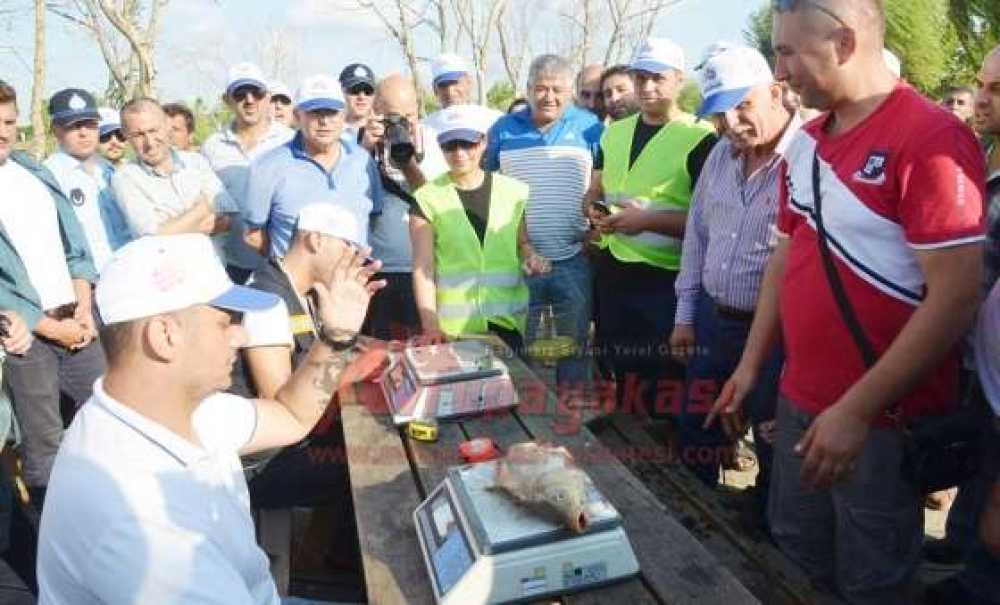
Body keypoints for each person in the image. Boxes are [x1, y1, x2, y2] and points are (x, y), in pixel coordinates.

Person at [706, 2, 986, 602]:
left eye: (787, 51)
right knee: (796, 556)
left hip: (882, 422)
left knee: (872, 576)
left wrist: (857, 410)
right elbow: (785, 261)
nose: (779, 72)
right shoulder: (805, 142)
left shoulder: (933, 137)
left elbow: (957, 295)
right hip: (800, 400)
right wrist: (752, 366)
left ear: (842, 41)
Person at [37, 232, 382, 603]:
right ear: (165, 336)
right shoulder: (139, 527)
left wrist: (337, 339)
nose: (241, 334)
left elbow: (290, 416)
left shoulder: (176, 409)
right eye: (226, 322)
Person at [669, 46, 799, 519]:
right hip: (710, 321)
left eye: (743, 105)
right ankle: (690, 527)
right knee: (697, 426)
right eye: (721, 113)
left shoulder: (807, 157)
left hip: (778, 335)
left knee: (772, 435)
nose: (732, 123)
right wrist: (685, 316)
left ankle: (771, 538)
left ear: (776, 93)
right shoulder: (719, 157)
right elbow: (696, 239)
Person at [584, 38, 716, 421]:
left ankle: (667, 454)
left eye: (658, 78)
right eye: (640, 77)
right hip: (614, 269)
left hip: (666, 280)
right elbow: (600, 190)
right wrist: (596, 212)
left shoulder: (701, 136)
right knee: (621, 368)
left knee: (666, 378)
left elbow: (710, 222)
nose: (647, 87)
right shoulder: (615, 132)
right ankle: (632, 444)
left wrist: (646, 221)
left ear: (678, 79)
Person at [230, 204, 385, 515]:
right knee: (371, 469)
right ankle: (331, 557)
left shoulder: (300, 291)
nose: (355, 259)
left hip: (292, 445)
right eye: (349, 247)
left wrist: (385, 346)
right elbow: (279, 406)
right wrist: (354, 371)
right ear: (315, 240)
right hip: (265, 464)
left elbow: (318, 345)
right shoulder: (267, 301)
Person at [0, 80, 105, 508]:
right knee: (46, 453)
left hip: (76, 321)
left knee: (108, 422)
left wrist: (83, 304)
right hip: (29, 335)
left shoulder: (32, 171)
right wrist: (51, 328)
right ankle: (52, 557)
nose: (2, 131)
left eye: (8, 121)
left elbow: (75, 245)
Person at [923, 45, 1000, 604]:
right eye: (981, 83)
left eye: (996, 89)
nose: (980, 98)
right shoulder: (980, 155)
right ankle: (961, 553)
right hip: (975, 358)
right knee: (977, 472)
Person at [487, 54, 603, 390]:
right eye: (540, 88)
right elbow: (489, 186)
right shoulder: (502, 129)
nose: (548, 97)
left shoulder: (591, 127)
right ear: (527, 89)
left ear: (570, 92)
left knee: (575, 345)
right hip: (520, 259)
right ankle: (528, 419)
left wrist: (592, 236)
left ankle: (573, 416)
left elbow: (604, 186)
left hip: (574, 258)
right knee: (523, 346)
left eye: (557, 89)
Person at [410, 104, 532, 352]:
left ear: (484, 142)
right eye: (450, 145)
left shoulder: (514, 192)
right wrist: (431, 327)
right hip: (453, 331)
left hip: (508, 324)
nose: (459, 152)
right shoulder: (427, 198)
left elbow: (522, 243)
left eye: (467, 143)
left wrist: (532, 257)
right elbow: (423, 269)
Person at [244, 74, 384, 260]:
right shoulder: (267, 167)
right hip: (294, 287)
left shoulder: (363, 161)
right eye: (315, 112)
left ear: (343, 114)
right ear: (297, 116)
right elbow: (253, 235)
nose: (324, 121)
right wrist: (288, 267)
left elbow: (372, 218)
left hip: (352, 283)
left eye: (332, 112)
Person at [358, 73, 448, 340]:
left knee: (424, 350)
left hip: (423, 271)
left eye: (409, 116)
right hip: (377, 270)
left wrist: (408, 163)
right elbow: (346, 199)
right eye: (395, 117)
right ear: (376, 113)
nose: (403, 125)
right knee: (377, 356)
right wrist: (363, 150)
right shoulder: (355, 144)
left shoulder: (434, 142)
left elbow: (433, 201)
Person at [202, 63, 294, 284]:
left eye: (257, 92)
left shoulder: (290, 141)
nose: (250, 100)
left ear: (268, 97)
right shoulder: (212, 146)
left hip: (282, 262)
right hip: (231, 265)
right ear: (227, 100)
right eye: (241, 94)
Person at [112, 98, 237, 259]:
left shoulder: (196, 162)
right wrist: (202, 208)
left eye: (153, 130)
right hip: (167, 277)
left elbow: (227, 220)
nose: (149, 142)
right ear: (126, 136)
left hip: (215, 272)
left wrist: (171, 226)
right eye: (138, 135)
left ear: (166, 126)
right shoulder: (125, 178)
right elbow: (151, 238)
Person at [44, 88, 133, 272]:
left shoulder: (108, 169)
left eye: (90, 124)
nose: (84, 133)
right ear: (56, 130)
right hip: (90, 283)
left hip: (130, 269)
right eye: (74, 126)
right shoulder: (49, 177)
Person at [423, 53, 502, 134]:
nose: (450, 91)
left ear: (469, 82)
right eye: (443, 85)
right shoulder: (425, 128)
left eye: (454, 82)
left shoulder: (493, 120)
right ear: (435, 90)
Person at [339, 63, 376, 142]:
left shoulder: (384, 134)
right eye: (355, 90)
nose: (362, 97)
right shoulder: (330, 133)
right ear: (341, 93)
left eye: (367, 91)